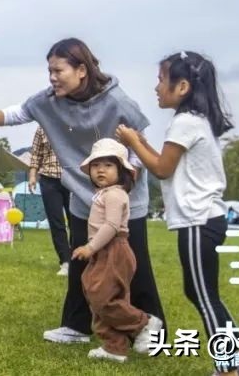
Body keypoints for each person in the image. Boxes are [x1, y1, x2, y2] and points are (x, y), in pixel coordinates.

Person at [0, 38, 165, 345]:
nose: (51, 77)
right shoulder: (49, 101)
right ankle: (76, 326)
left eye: (57, 70)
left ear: (81, 70)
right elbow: (15, 113)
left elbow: (136, 145)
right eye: (48, 70)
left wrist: (125, 182)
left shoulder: (117, 102)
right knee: (80, 264)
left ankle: (151, 330)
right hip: (82, 195)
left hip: (124, 198)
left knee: (132, 263)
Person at [117, 51, 239, 375]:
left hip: (199, 221)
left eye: (161, 80)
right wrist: (142, 143)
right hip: (205, 220)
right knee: (200, 291)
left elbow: (160, 168)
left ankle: (231, 368)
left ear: (182, 86)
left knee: (204, 295)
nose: (156, 87)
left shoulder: (185, 122)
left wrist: (133, 141)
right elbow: (168, 165)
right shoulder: (193, 121)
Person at [72, 139, 160, 363]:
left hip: (114, 250)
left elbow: (111, 226)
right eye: (96, 165)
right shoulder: (104, 193)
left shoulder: (115, 194)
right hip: (104, 251)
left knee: (103, 298)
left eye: (108, 165)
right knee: (97, 295)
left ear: (121, 171)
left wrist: (90, 247)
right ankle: (114, 347)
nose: (100, 169)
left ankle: (144, 322)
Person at [29, 125, 70, 276]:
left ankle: (79, 260)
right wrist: (32, 176)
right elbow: (36, 154)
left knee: (77, 221)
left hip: (73, 177)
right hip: (48, 179)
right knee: (56, 222)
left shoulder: (75, 122)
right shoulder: (42, 127)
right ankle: (65, 262)